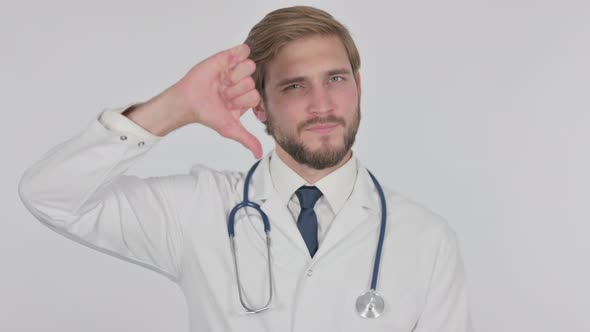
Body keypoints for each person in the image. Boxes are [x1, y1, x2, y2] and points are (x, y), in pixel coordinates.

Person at [18, 5, 473, 332]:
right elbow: (51, 196)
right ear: (259, 105)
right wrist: (173, 108)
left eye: (336, 79)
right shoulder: (198, 210)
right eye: (294, 86)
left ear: (358, 85)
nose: (322, 104)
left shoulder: (425, 239)